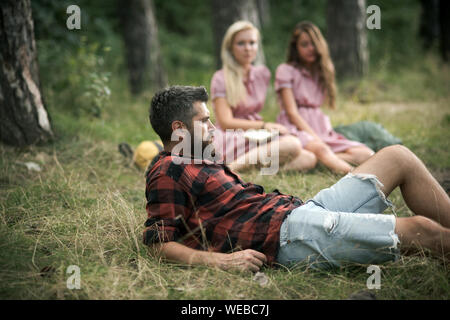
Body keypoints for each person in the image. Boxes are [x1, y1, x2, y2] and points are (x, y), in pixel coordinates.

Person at [144, 85, 450, 272]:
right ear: (179, 129)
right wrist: (221, 262)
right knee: (422, 230)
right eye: (204, 121)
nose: (213, 127)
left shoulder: (200, 157)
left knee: (397, 156)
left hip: (300, 213)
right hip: (289, 238)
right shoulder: (168, 170)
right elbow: (159, 244)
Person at [210, 20, 317, 173]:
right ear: (230, 47)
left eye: (252, 43)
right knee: (292, 144)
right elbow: (225, 122)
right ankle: (229, 170)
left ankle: (249, 171)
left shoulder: (262, 74)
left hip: (256, 133)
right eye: (241, 43)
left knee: (309, 158)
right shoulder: (221, 77)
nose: (247, 48)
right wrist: (263, 126)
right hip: (231, 135)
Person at [275, 22, 374, 174]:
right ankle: (355, 175)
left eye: (314, 44)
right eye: (304, 44)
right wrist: (315, 138)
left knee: (365, 154)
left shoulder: (323, 70)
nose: (311, 48)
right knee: (321, 148)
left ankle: (323, 162)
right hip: (296, 128)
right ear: (296, 48)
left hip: (320, 127)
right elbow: (291, 113)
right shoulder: (285, 70)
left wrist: (320, 137)